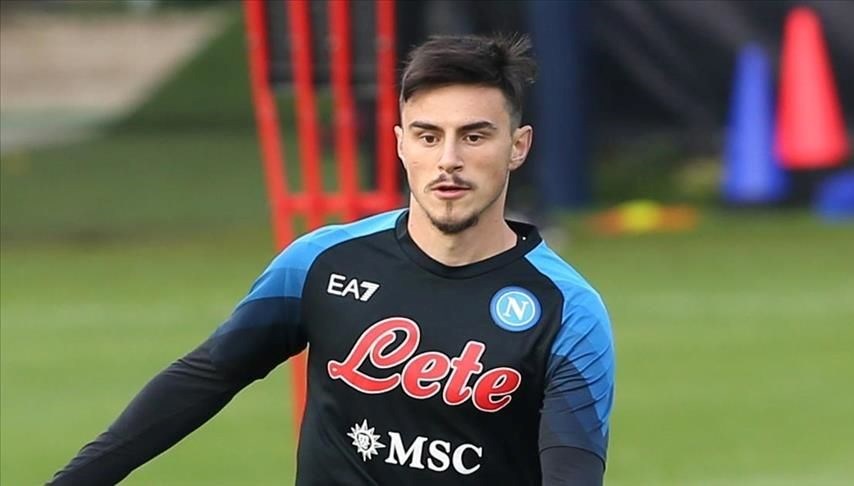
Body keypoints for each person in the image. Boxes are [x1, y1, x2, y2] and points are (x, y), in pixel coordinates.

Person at [49, 34, 615, 485]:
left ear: (517, 146)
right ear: (400, 144)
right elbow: (206, 377)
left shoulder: (568, 312)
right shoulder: (320, 262)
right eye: (428, 136)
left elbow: (573, 470)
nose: (448, 159)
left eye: (474, 137)